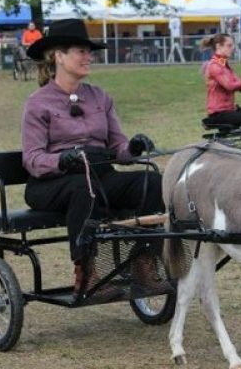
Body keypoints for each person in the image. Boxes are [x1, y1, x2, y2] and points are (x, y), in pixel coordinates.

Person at [21, 19, 164, 301]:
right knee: (84, 188)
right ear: (58, 56)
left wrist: (133, 147)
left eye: (90, 51)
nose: (89, 57)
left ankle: (143, 262)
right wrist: (64, 159)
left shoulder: (99, 96)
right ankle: (87, 272)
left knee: (151, 181)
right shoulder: (38, 103)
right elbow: (33, 158)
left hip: (99, 174)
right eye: (80, 51)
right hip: (52, 183)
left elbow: (117, 147)